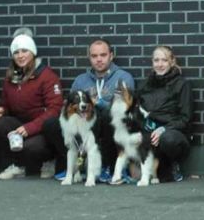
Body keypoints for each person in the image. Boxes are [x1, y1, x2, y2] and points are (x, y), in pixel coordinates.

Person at [42, 38, 135, 183]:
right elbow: (69, 108)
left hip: (106, 125)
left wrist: (99, 102)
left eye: (103, 55)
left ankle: (107, 166)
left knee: (107, 117)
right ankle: (73, 167)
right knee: (51, 124)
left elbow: (124, 109)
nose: (99, 60)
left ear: (111, 55)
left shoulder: (123, 77)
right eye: (94, 56)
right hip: (83, 124)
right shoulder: (81, 80)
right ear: (89, 57)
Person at [0, 28, 63, 179]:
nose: (20, 56)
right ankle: (17, 165)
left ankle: (48, 163)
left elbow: (55, 110)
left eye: (25, 51)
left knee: (32, 147)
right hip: (20, 124)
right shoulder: (10, 76)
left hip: (41, 128)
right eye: (16, 52)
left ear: (33, 52)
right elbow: (6, 104)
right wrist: (1, 111)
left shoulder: (47, 76)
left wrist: (30, 128)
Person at [136, 45, 194, 183]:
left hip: (173, 132)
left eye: (164, 60)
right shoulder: (144, 85)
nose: (160, 64)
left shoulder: (182, 84)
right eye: (156, 60)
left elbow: (185, 118)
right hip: (149, 129)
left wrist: (163, 129)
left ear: (172, 62)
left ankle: (174, 164)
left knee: (168, 139)